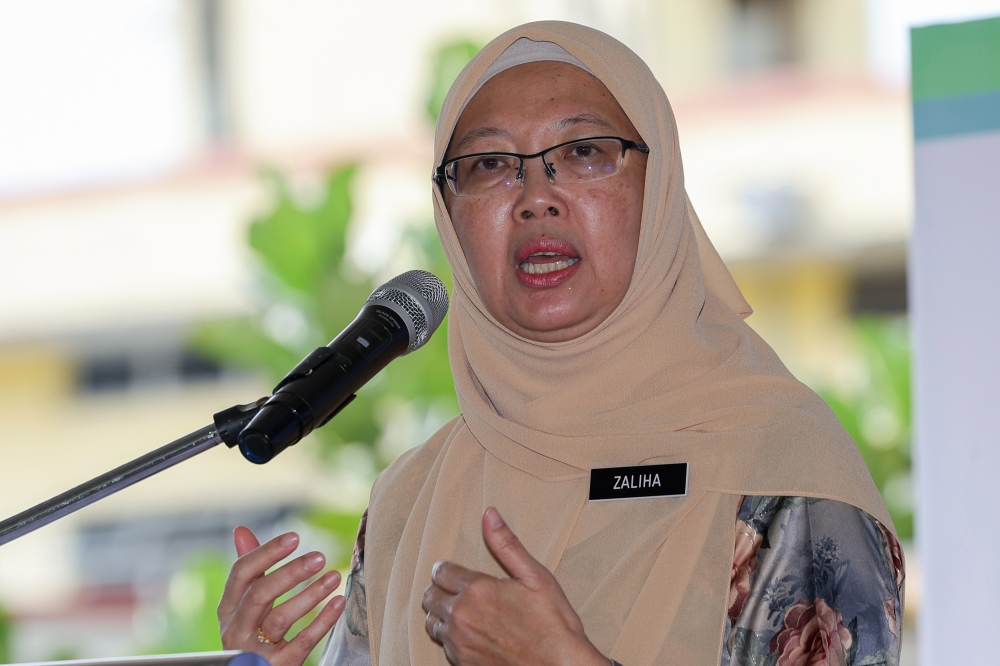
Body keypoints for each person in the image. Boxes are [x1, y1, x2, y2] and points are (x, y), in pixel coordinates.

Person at [217, 21, 905, 666]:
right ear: (449, 216)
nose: (535, 197)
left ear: (660, 187)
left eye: (583, 153)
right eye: (489, 164)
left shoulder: (781, 474)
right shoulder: (409, 500)